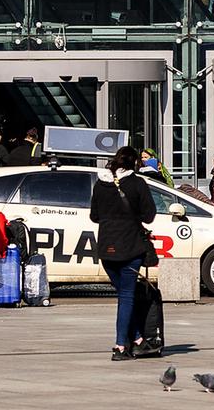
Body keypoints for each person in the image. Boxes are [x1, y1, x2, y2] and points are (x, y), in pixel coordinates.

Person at [91, 146, 158, 359]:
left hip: (106, 249)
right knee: (127, 296)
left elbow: (94, 216)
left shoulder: (100, 185)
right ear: (134, 164)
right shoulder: (138, 184)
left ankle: (138, 339)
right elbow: (149, 216)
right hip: (130, 246)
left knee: (124, 296)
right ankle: (121, 346)